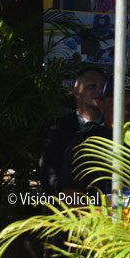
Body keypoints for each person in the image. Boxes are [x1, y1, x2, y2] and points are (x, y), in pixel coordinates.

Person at [39, 66, 107, 195]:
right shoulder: (57, 127)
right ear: (76, 91)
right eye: (92, 86)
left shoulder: (115, 127)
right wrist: (67, 195)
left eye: (103, 87)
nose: (99, 91)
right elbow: (48, 173)